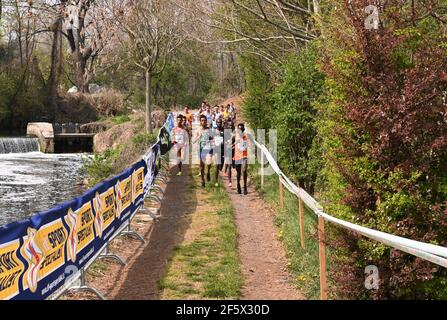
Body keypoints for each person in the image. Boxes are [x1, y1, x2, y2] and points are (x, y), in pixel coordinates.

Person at [193, 114, 213, 187]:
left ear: (206, 121)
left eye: (204, 120)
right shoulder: (198, 129)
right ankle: (202, 180)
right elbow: (193, 141)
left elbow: (213, 138)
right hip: (201, 149)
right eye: (202, 120)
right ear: (200, 122)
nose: (203, 122)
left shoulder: (209, 129)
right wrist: (198, 137)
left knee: (209, 163)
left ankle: (208, 172)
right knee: (201, 166)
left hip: (209, 148)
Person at [233, 123, 250, 195]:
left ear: (243, 129)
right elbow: (230, 143)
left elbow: (251, 143)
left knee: (244, 170)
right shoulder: (235, 136)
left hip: (244, 156)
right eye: (239, 129)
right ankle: (238, 184)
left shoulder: (246, 136)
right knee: (238, 172)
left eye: (242, 129)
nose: (240, 130)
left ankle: (245, 186)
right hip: (237, 156)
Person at [212, 118, 225, 187]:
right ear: (216, 123)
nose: (219, 124)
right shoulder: (214, 131)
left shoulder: (224, 130)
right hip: (216, 149)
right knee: (217, 165)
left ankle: (219, 171)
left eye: (220, 122)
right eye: (218, 122)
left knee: (221, 165)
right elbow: (210, 139)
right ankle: (216, 181)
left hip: (223, 150)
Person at [223, 120, 235, 188]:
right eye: (229, 125)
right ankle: (230, 181)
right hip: (228, 151)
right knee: (229, 166)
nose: (230, 126)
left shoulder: (236, 133)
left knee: (234, 166)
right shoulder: (226, 133)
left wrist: (233, 144)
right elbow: (223, 142)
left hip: (235, 152)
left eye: (232, 125)